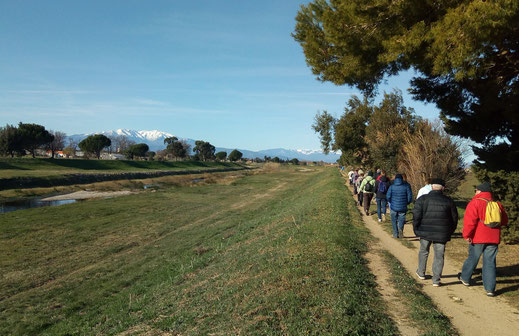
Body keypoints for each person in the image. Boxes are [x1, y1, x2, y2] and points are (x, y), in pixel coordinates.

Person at [458, 181, 508, 297]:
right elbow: (504, 221)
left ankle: (465, 278)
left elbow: (469, 222)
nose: (475, 192)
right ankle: (490, 289)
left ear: (479, 191)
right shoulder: (497, 204)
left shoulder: (475, 203)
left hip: (478, 237)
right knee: (490, 262)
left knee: (473, 258)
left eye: (476, 190)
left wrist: (467, 235)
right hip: (493, 238)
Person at [413, 178, 458, 287]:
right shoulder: (449, 201)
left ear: (432, 187)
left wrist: (416, 228)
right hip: (441, 233)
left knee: (423, 251)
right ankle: (436, 279)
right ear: (443, 188)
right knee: (439, 255)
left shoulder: (423, 199)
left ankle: (421, 272)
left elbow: (416, 216)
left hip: (424, 231)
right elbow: (454, 219)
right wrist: (449, 231)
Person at [386, 173, 413, 238]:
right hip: (403, 206)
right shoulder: (406, 186)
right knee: (401, 219)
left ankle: (395, 234)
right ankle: (400, 229)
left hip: (393, 207)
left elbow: (388, 196)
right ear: (402, 179)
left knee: (394, 220)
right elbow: (410, 197)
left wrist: (391, 201)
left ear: (395, 179)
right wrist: (407, 203)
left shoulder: (392, 186)